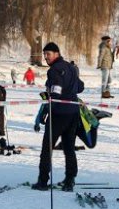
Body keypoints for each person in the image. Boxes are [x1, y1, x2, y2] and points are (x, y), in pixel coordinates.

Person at [31, 42, 84, 192]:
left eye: (48, 54)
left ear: (56, 54)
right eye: (44, 55)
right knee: (69, 148)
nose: (46, 58)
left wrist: (47, 111)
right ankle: (70, 180)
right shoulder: (71, 67)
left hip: (59, 113)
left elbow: (56, 93)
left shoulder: (54, 70)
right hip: (73, 112)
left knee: (47, 147)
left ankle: (42, 181)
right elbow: (80, 87)